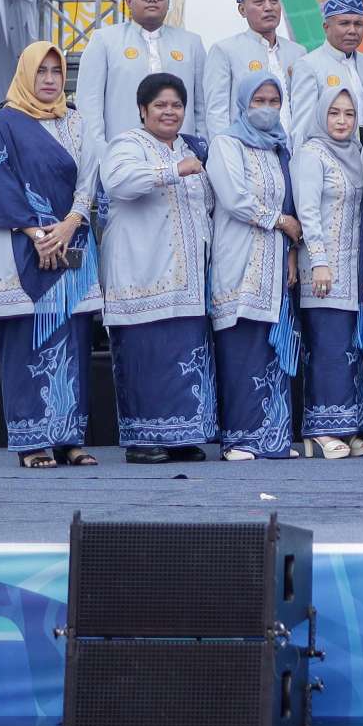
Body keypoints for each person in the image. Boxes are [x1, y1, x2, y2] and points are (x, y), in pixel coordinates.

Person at [0, 43, 102, 468]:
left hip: (72, 241)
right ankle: (32, 441)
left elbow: (90, 177)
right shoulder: (2, 123)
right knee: (25, 341)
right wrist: (38, 233)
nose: (50, 79)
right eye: (41, 71)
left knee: (74, 339)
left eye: (57, 71)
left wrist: (70, 223)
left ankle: (69, 438)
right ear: (25, 74)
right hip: (18, 245)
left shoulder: (75, 122)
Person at [98, 72, 215, 463]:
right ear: (142, 109)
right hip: (141, 275)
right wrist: (172, 171)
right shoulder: (128, 144)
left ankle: (181, 435)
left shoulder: (190, 147)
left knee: (182, 355)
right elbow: (117, 182)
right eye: (160, 105)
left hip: (187, 278)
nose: (169, 112)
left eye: (176, 105)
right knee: (145, 356)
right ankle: (143, 438)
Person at [208, 71, 302, 461]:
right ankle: (239, 439)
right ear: (243, 104)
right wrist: (279, 222)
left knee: (270, 347)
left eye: (273, 101)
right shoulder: (226, 143)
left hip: (276, 263)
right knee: (241, 348)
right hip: (240, 259)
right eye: (258, 101)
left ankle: (273, 439)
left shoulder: (281, 147)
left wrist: (292, 249)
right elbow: (234, 198)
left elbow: (292, 204)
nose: (266, 109)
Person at [294, 83, 363, 459]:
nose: (342, 121)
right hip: (322, 268)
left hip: (352, 268)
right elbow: (307, 212)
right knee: (326, 348)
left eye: (349, 114)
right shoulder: (311, 154)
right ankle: (321, 428)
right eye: (334, 113)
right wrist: (320, 261)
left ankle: (345, 424)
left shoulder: (356, 153)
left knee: (347, 350)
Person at [75, 0, 208, 155]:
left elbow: (203, 110)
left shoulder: (191, 43)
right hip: (123, 157)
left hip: (182, 157)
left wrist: (201, 153)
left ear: (168, 1)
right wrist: (103, 157)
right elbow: (89, 109)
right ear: (129, 1)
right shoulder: (105, 41)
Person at [205, 0, 304, 135]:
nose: (268, 7)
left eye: (274, 0)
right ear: (242, 10)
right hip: (243, 148)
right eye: (259, 2)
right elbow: (216, 114)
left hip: (294, 149)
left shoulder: (297, 53)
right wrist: (223, 149)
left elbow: (304, 110)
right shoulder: (225, 51)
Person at [290, 0, 363, 149]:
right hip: (330, 157)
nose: (352, 30)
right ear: (326, 27)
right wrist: (302, 161)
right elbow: (302, 128)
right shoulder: (308, 65)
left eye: (358, 24)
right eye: (344, 23)